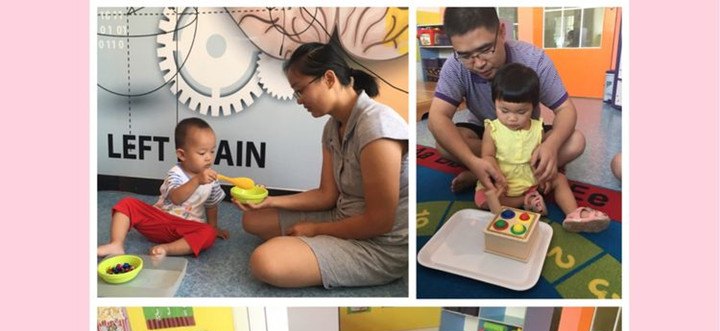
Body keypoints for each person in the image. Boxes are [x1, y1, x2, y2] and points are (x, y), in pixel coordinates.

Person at [234, 41, 409, 289]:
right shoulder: (332, 127)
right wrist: (269, 201)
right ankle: (309, 247)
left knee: (265, 261)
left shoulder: (376, 126)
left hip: (379, 244)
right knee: (253, 218)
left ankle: (311, 249)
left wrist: (316, 229)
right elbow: (326, 195)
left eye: (300, 90)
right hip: (342, 215)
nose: (299, 100)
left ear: (329, 78)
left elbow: (380, 222)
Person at [429, 8, 585, 194]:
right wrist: (472, 161)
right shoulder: (455, 66)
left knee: (575, 141)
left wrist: (551, 146)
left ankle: (491, 174)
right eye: (465, 55)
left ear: (502, 32)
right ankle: (506, 171)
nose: (479, 63)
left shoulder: (535, 60)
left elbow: (565, 109)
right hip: (486, 134)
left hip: (526, 134)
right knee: (444, 144)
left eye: (485, 49)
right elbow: (437, 117)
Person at [476, 64, 610, 233]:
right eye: (504, 110)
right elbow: (487, 156)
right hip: (503, 183)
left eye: (521, 112)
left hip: (530, 181)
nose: (512, 118)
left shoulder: (537, 128)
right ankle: (525, 201)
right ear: (494, 103)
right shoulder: (492, 128)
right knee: (484, 200)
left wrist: (544, 175)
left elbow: (540, 157)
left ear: (533, 106)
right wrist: (496, 177)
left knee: (559, 179)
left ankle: (573, 213)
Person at [97, 118, 228, 258]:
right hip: (161, 220)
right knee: (127, 203)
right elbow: (176, 198)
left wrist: (214, 227)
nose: (209, 158)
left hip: (186, 228)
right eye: (202, 153)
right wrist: (197, 180)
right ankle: (116, 244)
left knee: (208, 233)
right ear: (182, 155)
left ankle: (167, 249)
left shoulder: (212, 179)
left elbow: (211, 205)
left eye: (212, 151)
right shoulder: (175, 174)